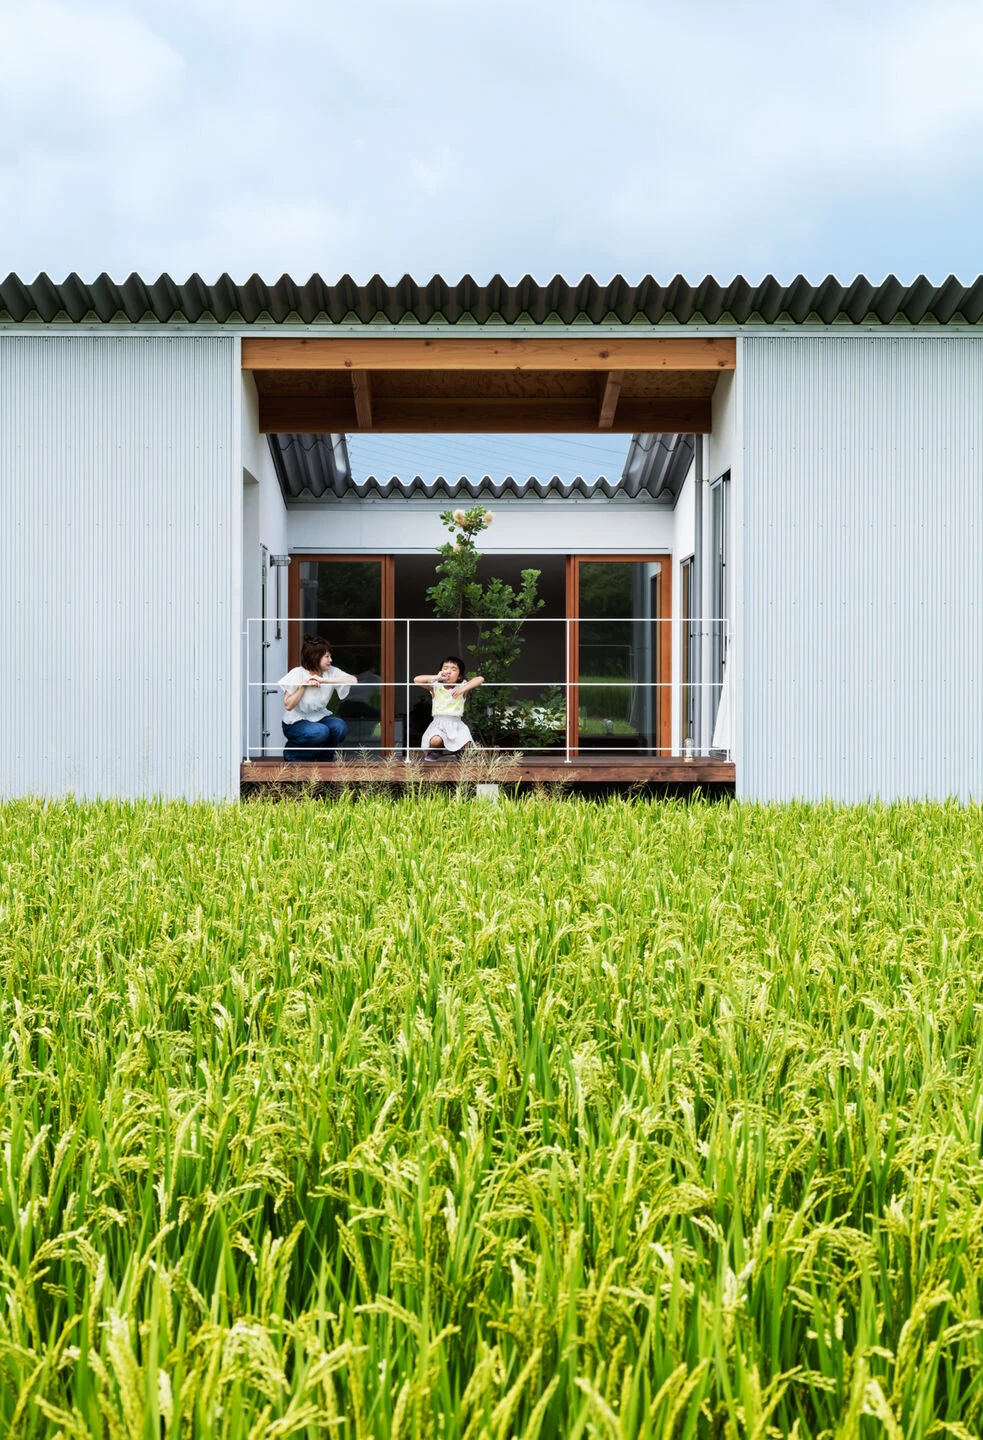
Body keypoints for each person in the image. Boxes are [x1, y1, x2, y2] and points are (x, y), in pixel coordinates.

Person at [278, 635, 358, 761]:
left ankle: (323, 759)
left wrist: (324, 680)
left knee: (339, 727)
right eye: (327, 656)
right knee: (320, 731)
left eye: (330, 656)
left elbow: (353, 680)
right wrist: (303, 686)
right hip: (296, 722)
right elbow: (288, 705)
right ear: (315, 657)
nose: (330, 660)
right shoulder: (297, 673)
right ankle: (293, 755)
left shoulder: (331, 672)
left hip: (320, 717)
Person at [414, 656, 485, 760]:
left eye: (453, 669)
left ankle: (459, 752)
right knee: (435, 740)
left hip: (456, 724)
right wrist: (436, 678)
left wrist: (462, 689)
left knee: (467, 745)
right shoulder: (436, 687)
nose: (448, 671)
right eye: (445, 668)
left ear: (459, 676)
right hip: (438, 724)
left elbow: (480, 679)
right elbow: (417, 680)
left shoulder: (461, 688)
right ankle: (436, 751)